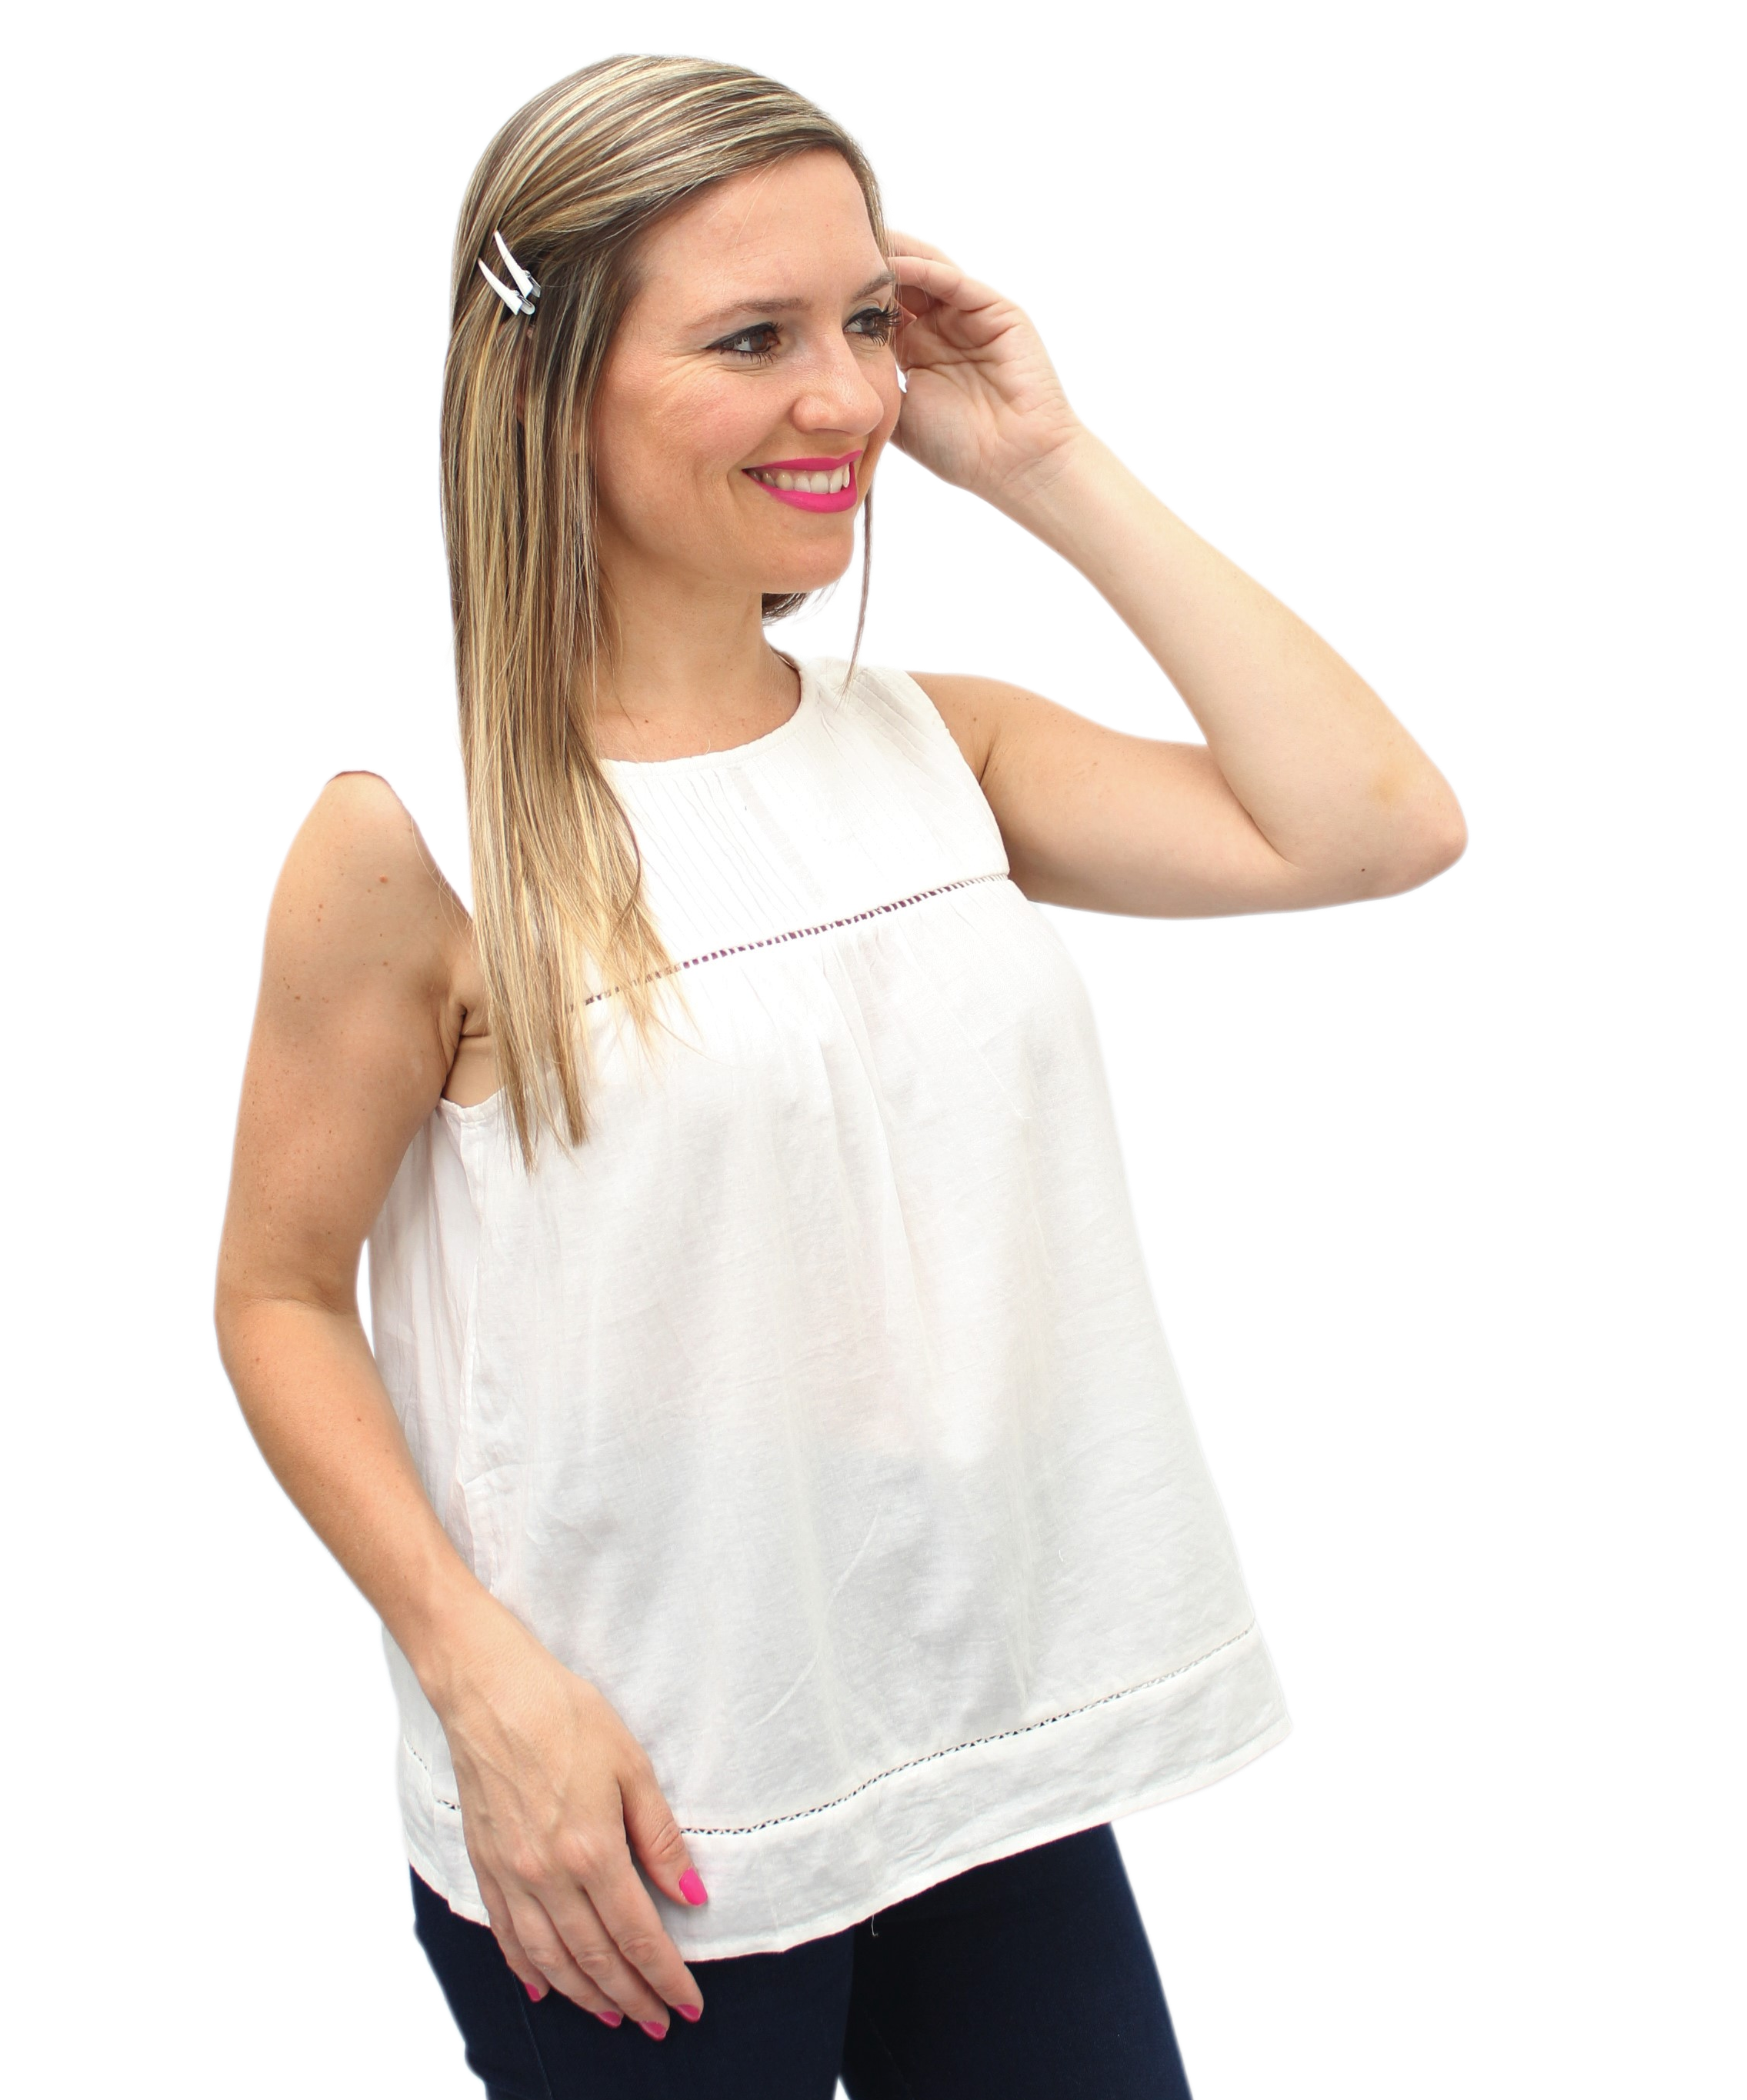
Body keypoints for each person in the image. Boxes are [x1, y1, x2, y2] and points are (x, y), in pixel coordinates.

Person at [210, 47, 1469, 2100]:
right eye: (755, 339)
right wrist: (480, 1682)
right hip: (636, 1812)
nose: (855, 396)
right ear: (551, 383)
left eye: (867, 320)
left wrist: (1049, 461)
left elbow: (1378, 829)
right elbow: (276, 1296)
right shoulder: (418, 836)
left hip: (979, 1749)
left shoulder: (939, 749)